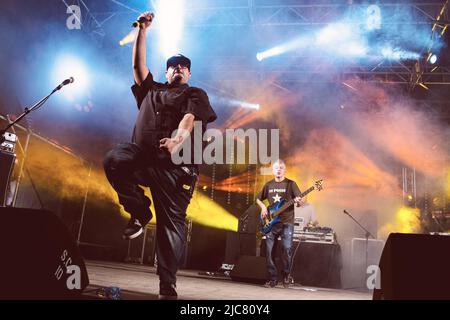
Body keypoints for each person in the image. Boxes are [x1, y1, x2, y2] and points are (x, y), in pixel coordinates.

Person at [103, 12, 217, 300]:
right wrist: (143, 30)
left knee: (170, 228)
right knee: (114, 160)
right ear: (166, 72)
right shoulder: (151, 91)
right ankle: (140, 211)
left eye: (183, 67)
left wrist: (178, 140)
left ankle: (167, 287)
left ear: (188, 73)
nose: (177, 69)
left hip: (176, 170)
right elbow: (137, 66)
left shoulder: (195, 93)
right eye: (173, 66)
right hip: (143, 157)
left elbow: (190, 119)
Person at [256, 159, 303, 288]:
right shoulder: (268, 185)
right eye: (276, 167)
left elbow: (300, 202)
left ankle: (286, 275)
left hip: (287, 222)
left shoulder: (291, 184)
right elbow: (258, 199)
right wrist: (263, 208)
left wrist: (298, 201)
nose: (279, 169)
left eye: (281, 167)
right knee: (269, 251)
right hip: (271, 223)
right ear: (273, 170)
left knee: (287, 249)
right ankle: (272, 279)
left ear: (285, 170)